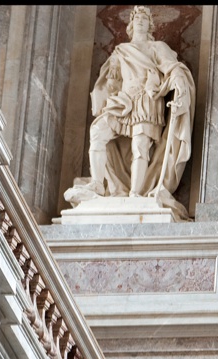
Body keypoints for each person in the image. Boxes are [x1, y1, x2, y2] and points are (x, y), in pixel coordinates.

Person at [74, 6, 195, 218]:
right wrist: (108, 83)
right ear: (130, 24)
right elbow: (111, 82)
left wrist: (178, 81)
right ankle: (97, 184)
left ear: (150, 25)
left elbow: (173, 67)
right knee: (97, 132)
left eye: (144, 18)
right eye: (137, 17)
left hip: (146, 100)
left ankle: (135, 195)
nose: (140, 21)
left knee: (140, 145)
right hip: (123, 100)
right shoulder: (120, 51)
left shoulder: (157, 47)